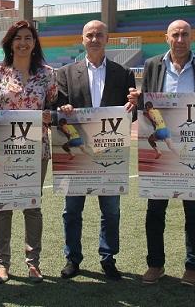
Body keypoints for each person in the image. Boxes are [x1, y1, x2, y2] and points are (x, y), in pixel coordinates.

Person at [128, 19, 195, 286]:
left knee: (194, 210)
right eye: (175, 35)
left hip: (193, 149)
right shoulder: (153, 64)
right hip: (163, 149)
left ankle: (192, 267)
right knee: (155, 211)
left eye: (185, 35)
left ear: (192, 38)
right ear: (166, 37)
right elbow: (149, 104)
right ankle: (155, 265)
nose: (180, 39)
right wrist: (138, 100)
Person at [56, 20, 136, 281]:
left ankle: (108, 258)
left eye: (99, 35)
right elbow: (58, 107)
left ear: (107, 39)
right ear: (82, 39)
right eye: (89, 35)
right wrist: (63, 110)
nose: (94, 39)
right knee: (72, 211)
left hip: (110, 153)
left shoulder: (123, 73)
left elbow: (130, 117)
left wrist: (134, 107)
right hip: (77, 154)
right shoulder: (66, 73)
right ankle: (72, 258)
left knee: (111, 210)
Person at [0, 20, 57, 284]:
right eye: (18, 38)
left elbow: (54, 110)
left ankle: (33, 263)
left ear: (35, 43)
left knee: (31, 206)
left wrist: (50, 116)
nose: (23, 43)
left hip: (37, 150)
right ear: (10, 43)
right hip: (4, 150)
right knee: (2, 207)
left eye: (28, 38)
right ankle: (2, 264)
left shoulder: (48, 74)